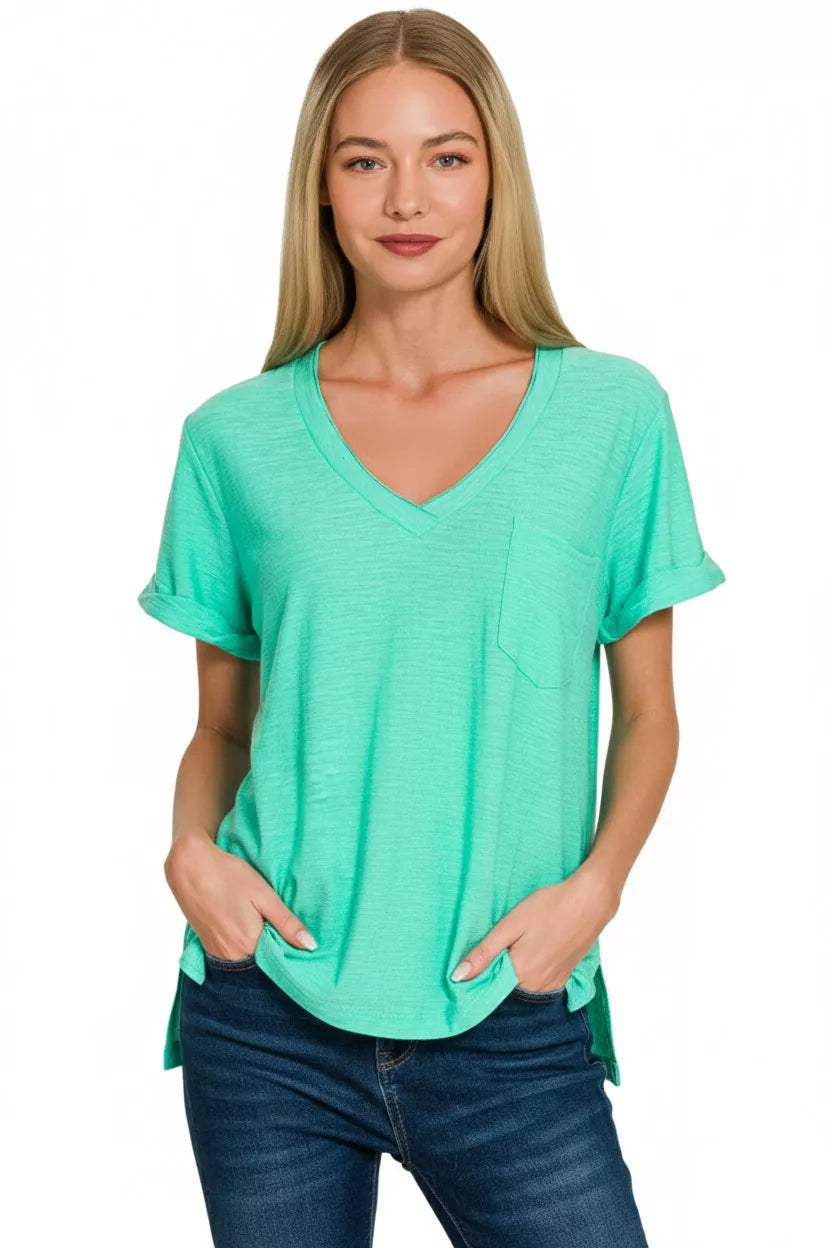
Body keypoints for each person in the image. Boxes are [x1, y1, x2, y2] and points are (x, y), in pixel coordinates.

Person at [136, 10, 725, 1246]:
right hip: (267, 1020)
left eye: (446, 156)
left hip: (511, 1015)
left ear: (495, 175)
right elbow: (222, 728)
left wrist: (596, 892)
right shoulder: (233, 440)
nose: (406, 197)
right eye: (366, 160)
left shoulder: (611, 417)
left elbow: (650, 715)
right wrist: (191, 857)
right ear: (322, 186)